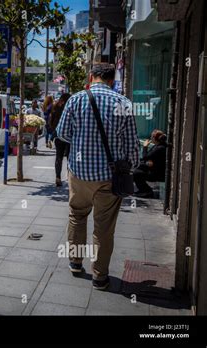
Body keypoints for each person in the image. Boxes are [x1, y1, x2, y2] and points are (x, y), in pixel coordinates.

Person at [56, 63, 139, 291]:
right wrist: (130, 168)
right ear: (112, 80)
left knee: (77, 216)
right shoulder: (123, 103)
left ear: (92, 77)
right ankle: (99, 277)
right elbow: (132, 145)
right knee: (104, 227)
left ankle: (75, 262)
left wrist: (82, 142)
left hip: (79, 174)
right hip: (109, 177)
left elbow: (62, 133)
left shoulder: (75, 99)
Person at [133, 129, 167, 198]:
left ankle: (146, 191)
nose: (150, 138)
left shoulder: (160, 148)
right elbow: (148, 158)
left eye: (151, 137)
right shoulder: (157, 146)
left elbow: (146, 156)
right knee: (137, 168)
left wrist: (145, 146)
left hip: (158, 174)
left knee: (136, 173)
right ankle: (142, 189)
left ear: (154, 138)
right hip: (154, 169)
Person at [49, 93, 71, 187]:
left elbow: (51, 121)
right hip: (69, 136)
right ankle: (70, 178)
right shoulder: (70, 107)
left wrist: (53, 132)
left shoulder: (55, 107)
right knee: (70, 158)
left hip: (58, 135)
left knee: (59, 156)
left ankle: (58, 177)